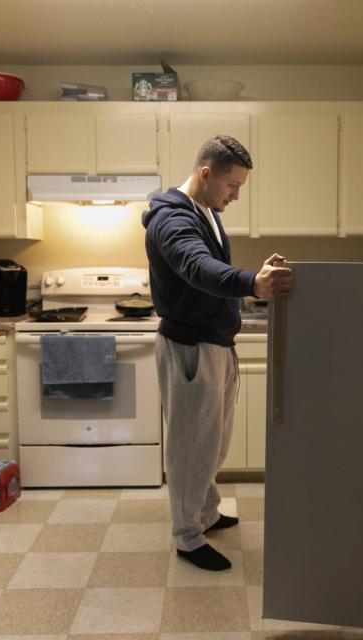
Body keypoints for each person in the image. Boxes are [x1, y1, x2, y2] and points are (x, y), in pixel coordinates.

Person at [142, 135, 293, 571]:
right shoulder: (171, 220)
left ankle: (205, 512)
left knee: (214, 442)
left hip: (215, 344)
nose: (236, 194)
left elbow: (209, 270)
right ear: (206, 173)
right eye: (232, 185)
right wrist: (251, 283)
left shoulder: (204, 209)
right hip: (192, 348)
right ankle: (188, 537)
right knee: (192, 447)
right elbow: (196, 266)